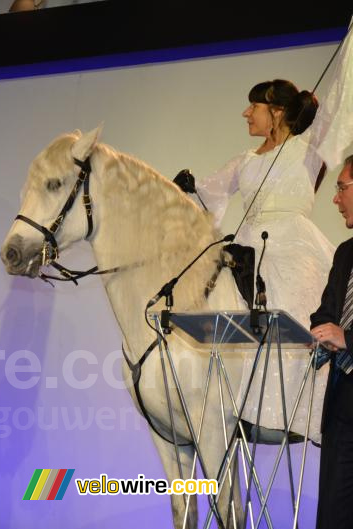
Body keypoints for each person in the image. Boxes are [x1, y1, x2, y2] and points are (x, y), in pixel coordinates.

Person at [192, 30, 353, 439]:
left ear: (277, 112)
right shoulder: (244, 161)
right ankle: (233, 405)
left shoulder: (309, 150)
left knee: (294, 310)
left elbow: (338, 103)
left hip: (294, 245)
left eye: (254, 106)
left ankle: (300, 410)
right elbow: (205, 197)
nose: (247, 114)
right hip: (249, 247)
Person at [310, 154, 353, 529]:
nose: (335, 198)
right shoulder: (345, 254)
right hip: (341, 409)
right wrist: (322, 333)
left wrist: (348, 338)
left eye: (341, 188)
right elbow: (325, 313)